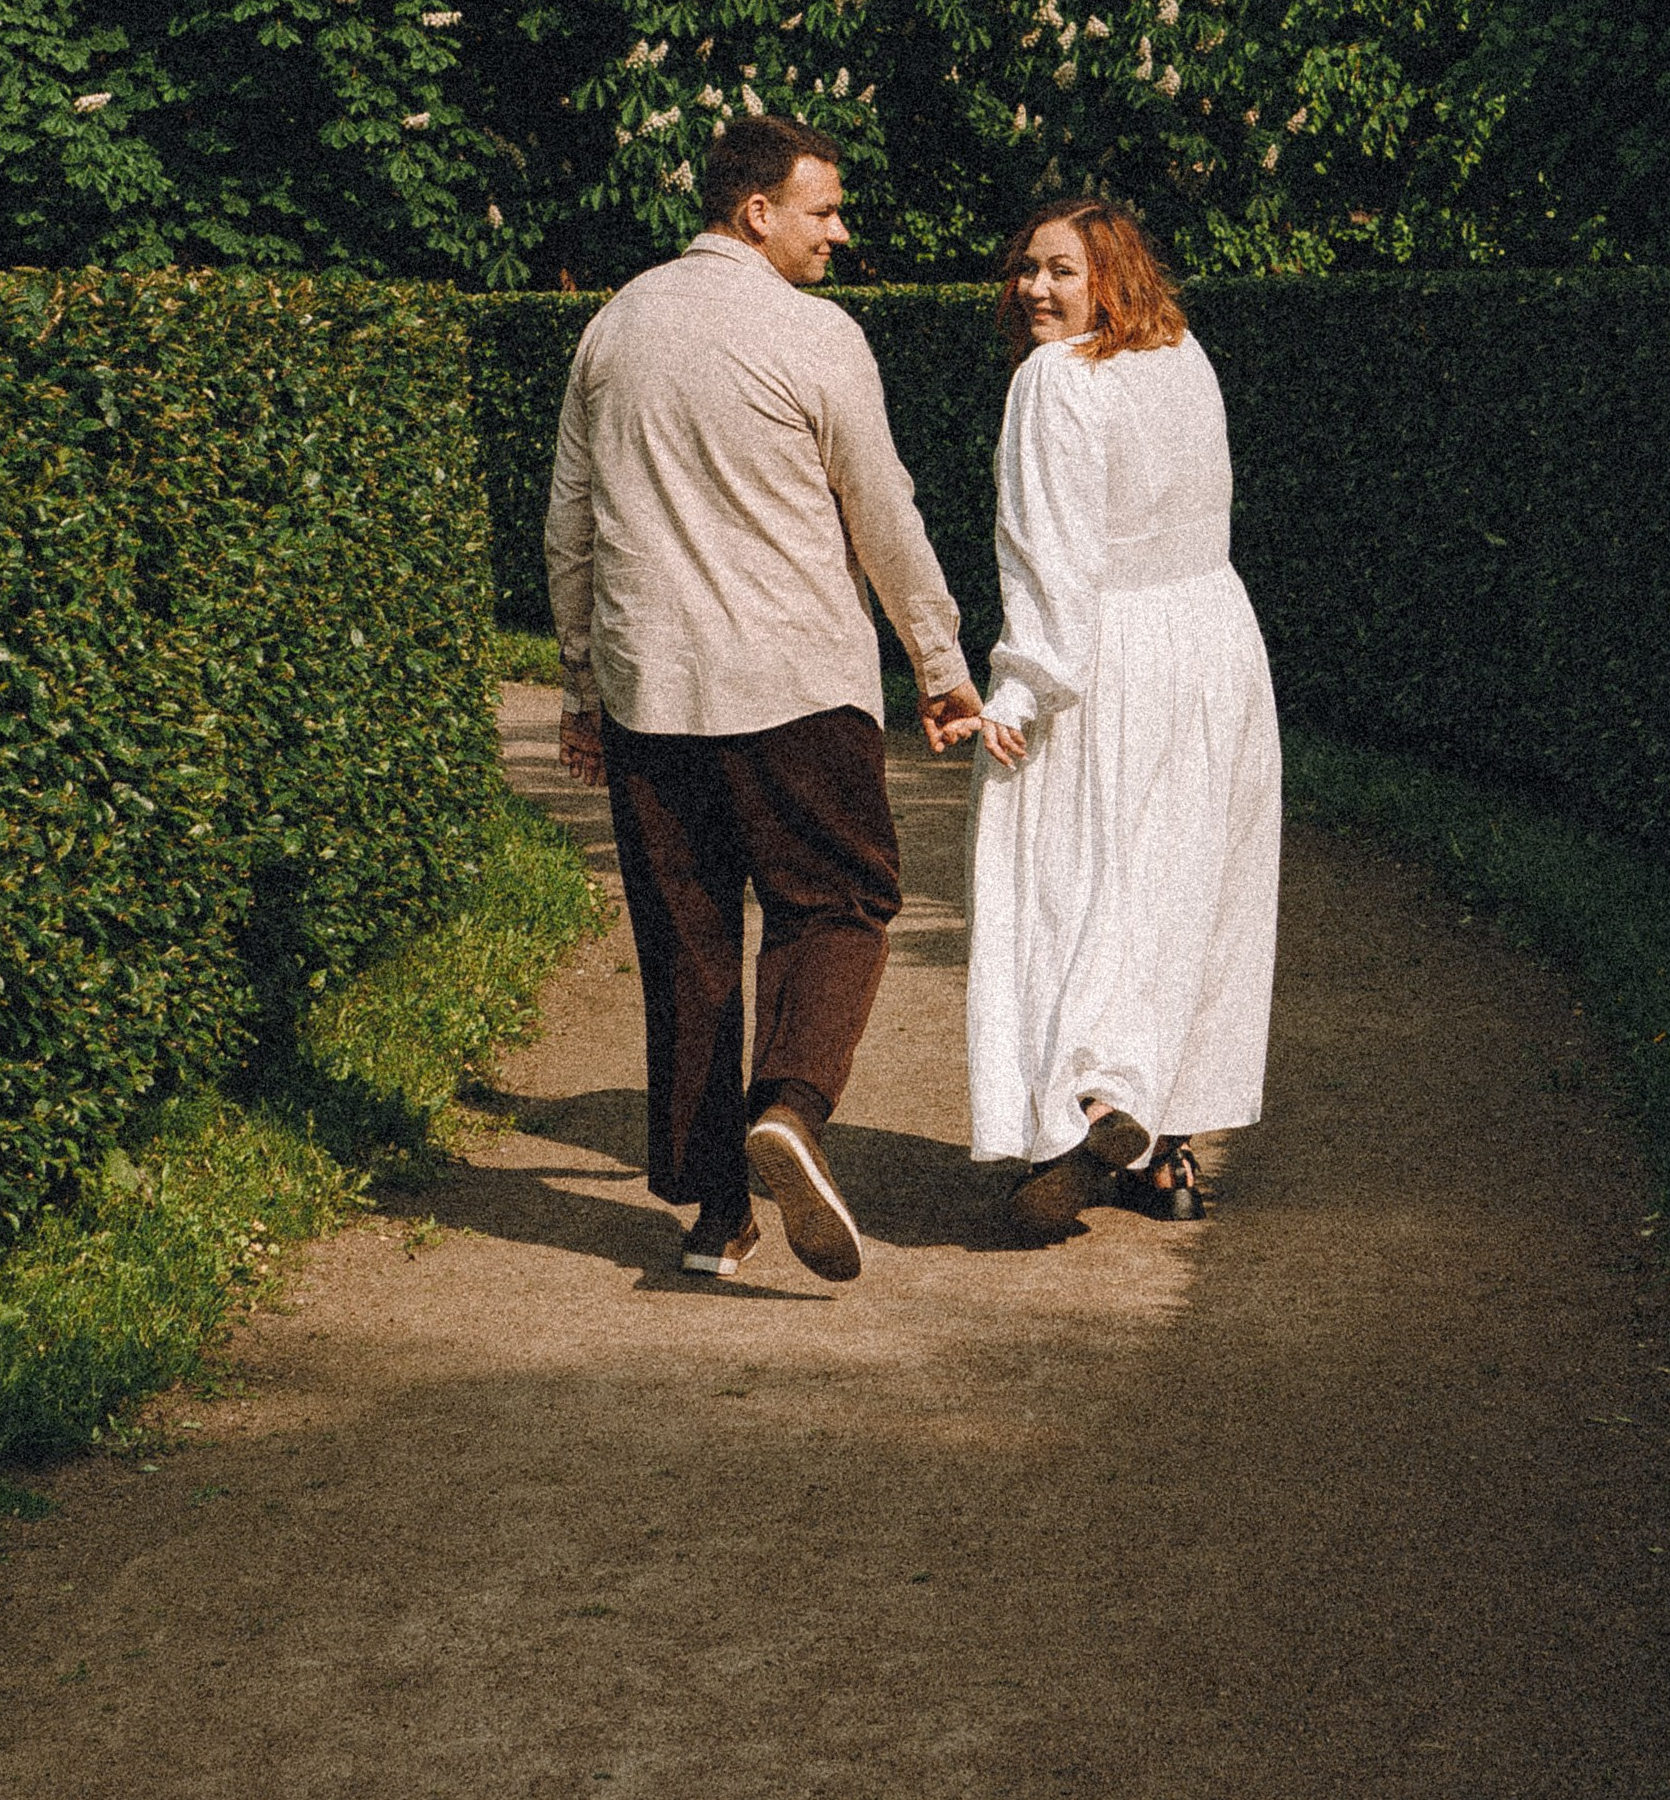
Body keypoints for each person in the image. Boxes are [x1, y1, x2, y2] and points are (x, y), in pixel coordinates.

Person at [543, 115, 984, 1285]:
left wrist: (584, 685)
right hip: (794, 687)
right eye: (824, 209)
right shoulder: (815, 335)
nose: (840, 229)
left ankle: (714, 1216)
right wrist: (939, 663)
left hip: (652, 695)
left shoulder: (612, 325)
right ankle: (789, 1106)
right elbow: (881, 512)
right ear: (758, 211)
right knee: (840, 902)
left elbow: (569, 527)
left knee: (686, 944)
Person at [965, 199, 1280, 1242]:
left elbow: (1051, 556)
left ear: (1113, 278)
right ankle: (1170, 1148)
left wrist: (1018, 687)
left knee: (1076, 877)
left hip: (1112, 653)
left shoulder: (1051, 381)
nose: (1034, 290)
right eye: (1027, 269)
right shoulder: (1184, 355)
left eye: (1061, 271)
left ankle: (1095, 1102)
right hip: (1217, 637)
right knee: (1187, 883)